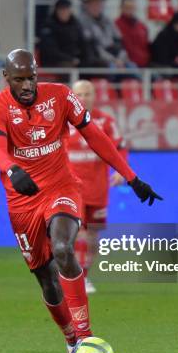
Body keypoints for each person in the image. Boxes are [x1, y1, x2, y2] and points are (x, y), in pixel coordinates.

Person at [0, 49, 162, 353]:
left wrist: (131, 178)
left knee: (64, 248)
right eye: (19, 79)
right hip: (21, 200)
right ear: (6, 78)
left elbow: (95, 135)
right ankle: (70, 340)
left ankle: (85, 336)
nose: (27, 85)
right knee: (47, 280)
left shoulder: (60, 97)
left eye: (31, 78)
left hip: (60, 186)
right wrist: (11, 169)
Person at [67, 80, 126, 293]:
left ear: (94, 96)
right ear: (73, 96)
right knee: (78, 234)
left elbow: (120, 147)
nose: (83, 98)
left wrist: (120, 170)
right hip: (71, 189)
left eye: (87, 94)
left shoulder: (106, 122)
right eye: (79, 94)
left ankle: (85, 274)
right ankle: (76, 277)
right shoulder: (62, 121)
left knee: (92, 237)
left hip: (98, 189)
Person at [78, 0, 134, 70]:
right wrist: (114, 60)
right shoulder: (83, 22)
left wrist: (120, 59)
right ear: (87, 5)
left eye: (99, 4)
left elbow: (119, 41)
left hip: (114, 55)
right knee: (112, 69)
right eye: (93, 4)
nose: (96, 7)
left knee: (132, 67)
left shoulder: (108, 20)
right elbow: (94, 48)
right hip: (98, 60)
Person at [38, 0, 89, 68]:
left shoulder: (75, 24)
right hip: (54, 61)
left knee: (94, 65)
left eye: (66, 9)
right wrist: (71, 59)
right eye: (61, 9)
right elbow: (51, 51)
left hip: (74, 59)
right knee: (68, 68)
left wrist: (85, 58)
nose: (63, 12)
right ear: (56, 11)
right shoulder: (48, 26)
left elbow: (83, 43)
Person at [150, 11, 178, 79]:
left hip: (173, 64)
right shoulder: (164, 35)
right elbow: (161, 57)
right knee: (171, 72)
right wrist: (176, 64)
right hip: (160, 64)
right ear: (173, 24)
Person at [114, 0, 150, 68]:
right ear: (121, 8)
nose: (130, 10)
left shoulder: (142, 26)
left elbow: (146, 46)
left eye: (132, 7)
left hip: (144, 65)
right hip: (126, 65)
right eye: (127, 7)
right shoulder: (115, 25)